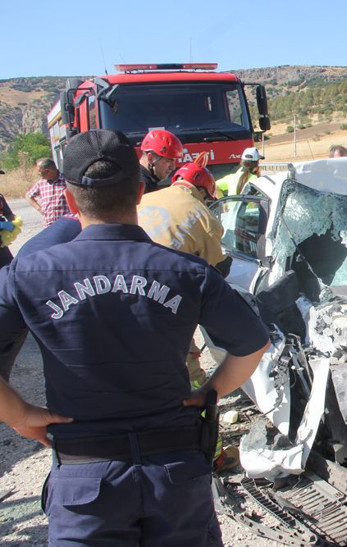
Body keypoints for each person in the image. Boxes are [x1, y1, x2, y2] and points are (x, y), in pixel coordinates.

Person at [0, 129, 270, 545]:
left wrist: (19, 414)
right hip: (176, 476)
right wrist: (210, 392)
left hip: (84, 482)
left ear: (70, 201)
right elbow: (252, 344)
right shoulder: (187, 273)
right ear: (140, 192)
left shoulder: (27, 275)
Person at [138, 162, 231, 389]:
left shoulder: (147, 198)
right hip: (163, 292)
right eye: (207, 197)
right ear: (201, 192)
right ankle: (196, 401)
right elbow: (215, 269)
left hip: (121, 284)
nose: (207, 202)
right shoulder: (204, 217)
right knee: (182, 350)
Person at [25, 158, 69, 227]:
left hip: (66, 224)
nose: (38, 174)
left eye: (39, 171)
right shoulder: (41, 183)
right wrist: (39, 209)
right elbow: (28, 196)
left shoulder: (67, 181)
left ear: (47, 171)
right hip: (49, 226)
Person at [139, 128, 184, 193]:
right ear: (151, 158)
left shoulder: (143, 181)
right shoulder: (140, 186)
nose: (173, 167)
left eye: (174, 161)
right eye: (169, 160)